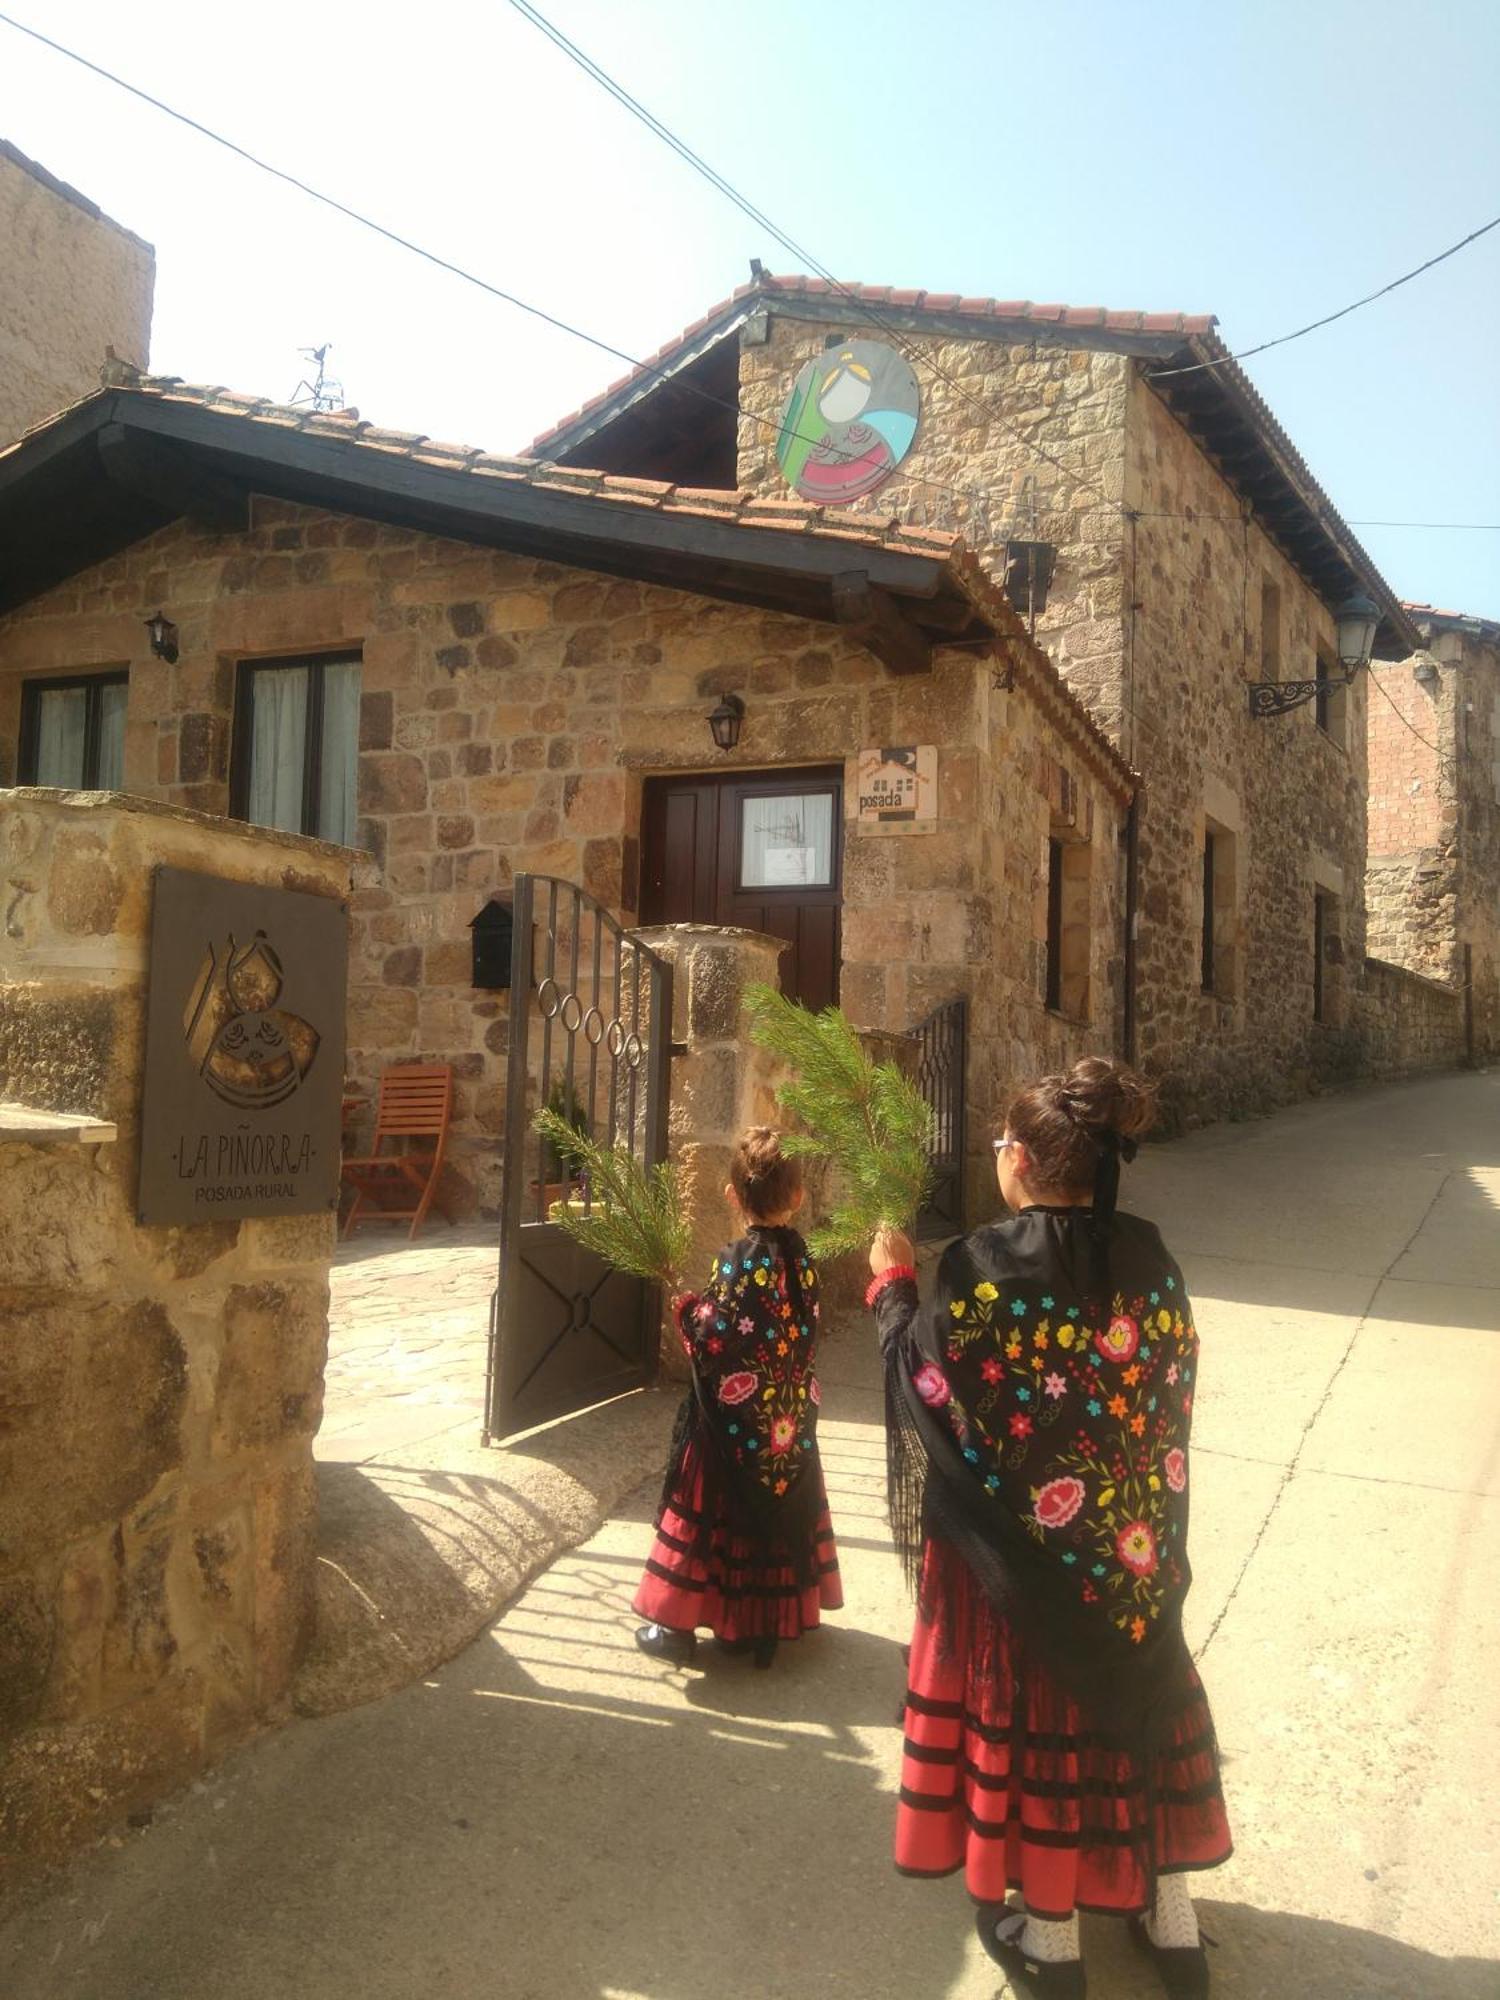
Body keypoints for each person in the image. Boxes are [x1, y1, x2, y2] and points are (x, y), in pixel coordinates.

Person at [867, 1058, 1231, 1999]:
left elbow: (931, 1392)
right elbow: (1167, 1399)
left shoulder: (983, 1266)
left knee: (1042, 1728)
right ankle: (1170, 1913)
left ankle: (1055, 1936)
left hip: (1026, 1564)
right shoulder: (1152, 1257)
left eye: (998, 1144)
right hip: (1133, 1550)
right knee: (1141, 1702)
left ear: (1021, 1159)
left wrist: (893, 1292)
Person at [633, 1127, 842, 1670]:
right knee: (773, 1502)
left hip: (732, 1419)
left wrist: (687, 1311)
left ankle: (680, 1621)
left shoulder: (737, 1259)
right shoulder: (803, 1259)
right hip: (785, 1419)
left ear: (733, 1196)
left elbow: (719, 1338)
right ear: (797, 1197)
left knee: (709, 1506)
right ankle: (755, 1620)